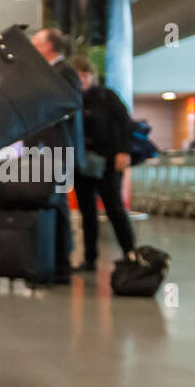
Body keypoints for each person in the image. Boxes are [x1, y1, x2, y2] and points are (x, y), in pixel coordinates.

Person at [18, 27, 84, 281]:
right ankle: (45, 259)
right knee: (46, 202)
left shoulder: (64, 72)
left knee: (57, 204)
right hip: (40, 148)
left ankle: (60, 263)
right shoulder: (44, 73)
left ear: (48, 47)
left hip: (56, 149)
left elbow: (69, 105)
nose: (32, 48)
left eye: (36, 44)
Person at [70, 55, 137, 271]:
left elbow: (126, 124)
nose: (82, 79)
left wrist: (124, 151)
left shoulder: (107, 96)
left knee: (114, 208)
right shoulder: (72, 99)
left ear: (92, 76)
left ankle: (130, 252)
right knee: (87, 211)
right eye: (78, 76)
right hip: (83, 162)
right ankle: (90, 258)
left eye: (85, 75)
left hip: (108, 161)